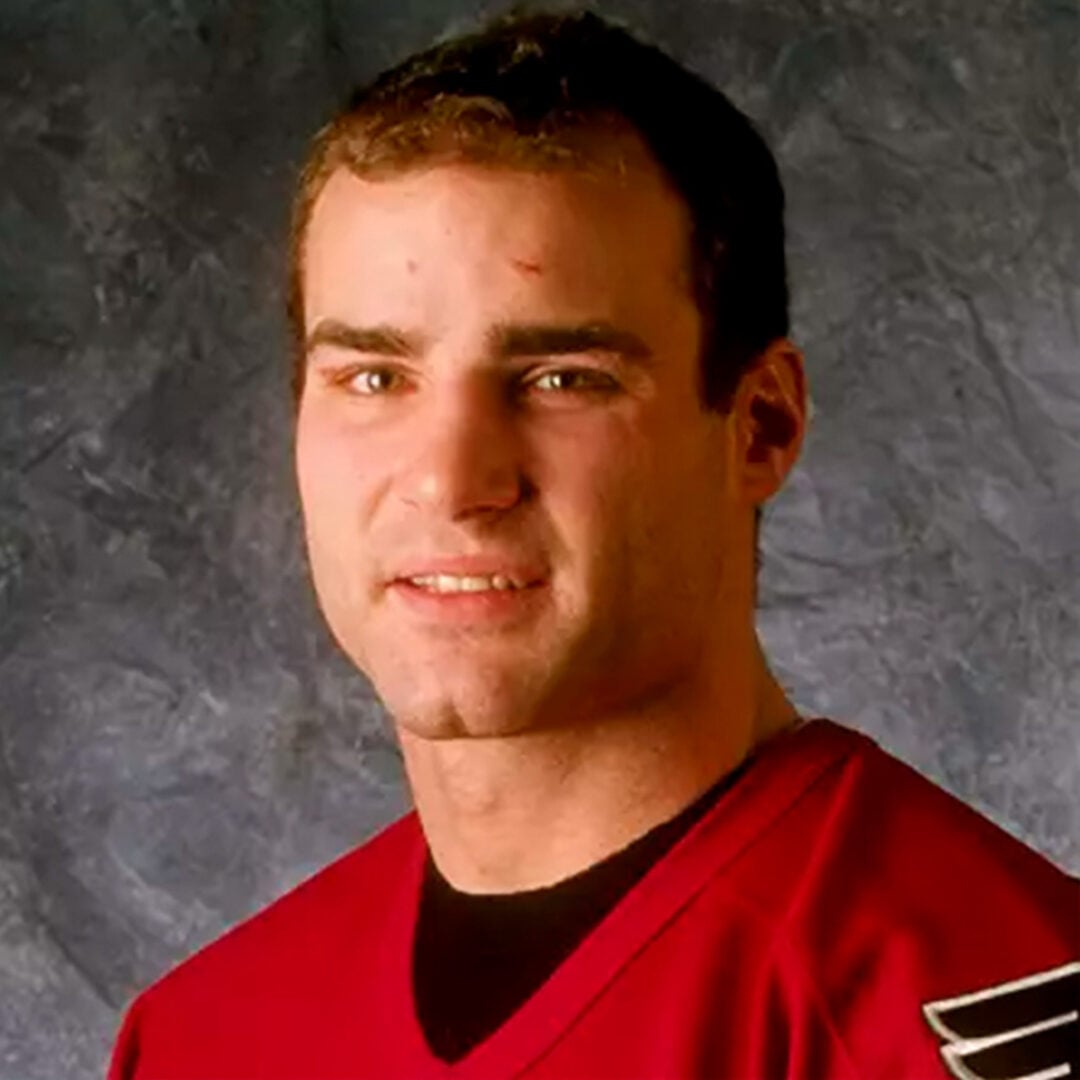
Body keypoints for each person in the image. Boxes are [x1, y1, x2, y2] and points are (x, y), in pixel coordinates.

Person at [108, 8, 1078, 1079]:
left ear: (761, 426)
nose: (449, 478)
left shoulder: (973, 1002)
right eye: (373, 377)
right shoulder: (203, 1037)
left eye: (563, 379)